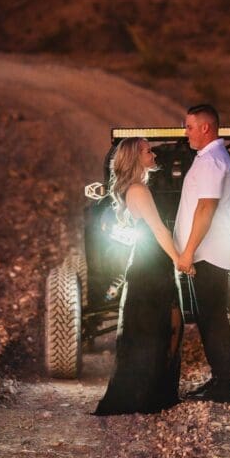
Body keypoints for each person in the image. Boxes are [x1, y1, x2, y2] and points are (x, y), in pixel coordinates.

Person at [94, 138, 193, 415]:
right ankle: (148, 395)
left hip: (151, 263)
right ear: (136, 158)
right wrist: (180, 260)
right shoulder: (138, 190)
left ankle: (157, 392)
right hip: (150, 266)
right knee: (158, 328)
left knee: (163, 326)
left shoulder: (138, 188)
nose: (154, 153)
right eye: (148, 150)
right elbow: (159, 230)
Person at [175, 104, 230, 404]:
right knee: (209, 319)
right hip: (206, 252)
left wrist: (187, 252)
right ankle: (220, 381)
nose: (185, 132)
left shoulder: (212, 160)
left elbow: (206, 208)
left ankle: (224, 386)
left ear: (205, 128)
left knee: (214, 319)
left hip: (209, 253)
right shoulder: (210, 157)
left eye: (189, 127)